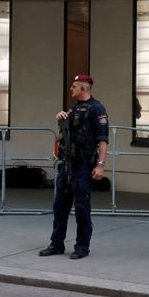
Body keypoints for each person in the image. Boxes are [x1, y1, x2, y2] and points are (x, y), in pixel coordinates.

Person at [39, 74, 109, 260]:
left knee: (81, 208)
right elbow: (66, 135)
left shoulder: (97, 109)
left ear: (83, 89)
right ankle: (56, 244)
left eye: (74, 86)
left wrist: (100, 165)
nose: (71, 89)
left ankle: (82, 247)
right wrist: (61, 119)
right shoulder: (73, 107)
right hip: (66, 164)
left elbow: (103, 140)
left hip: (83, 165)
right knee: (60, 207)